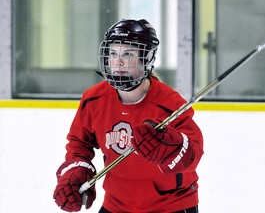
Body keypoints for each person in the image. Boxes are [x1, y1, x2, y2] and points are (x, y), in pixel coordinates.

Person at [53, 18, 204, 213]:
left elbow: (193, 154)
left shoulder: (170, 104)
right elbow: (78, 143)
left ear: (146, 58)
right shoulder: (93, 99)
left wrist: (170, 147)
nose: (118, 61)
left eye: (128, 54)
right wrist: (76, 170)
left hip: (170, 207)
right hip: (116, 206)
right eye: (113, 53)